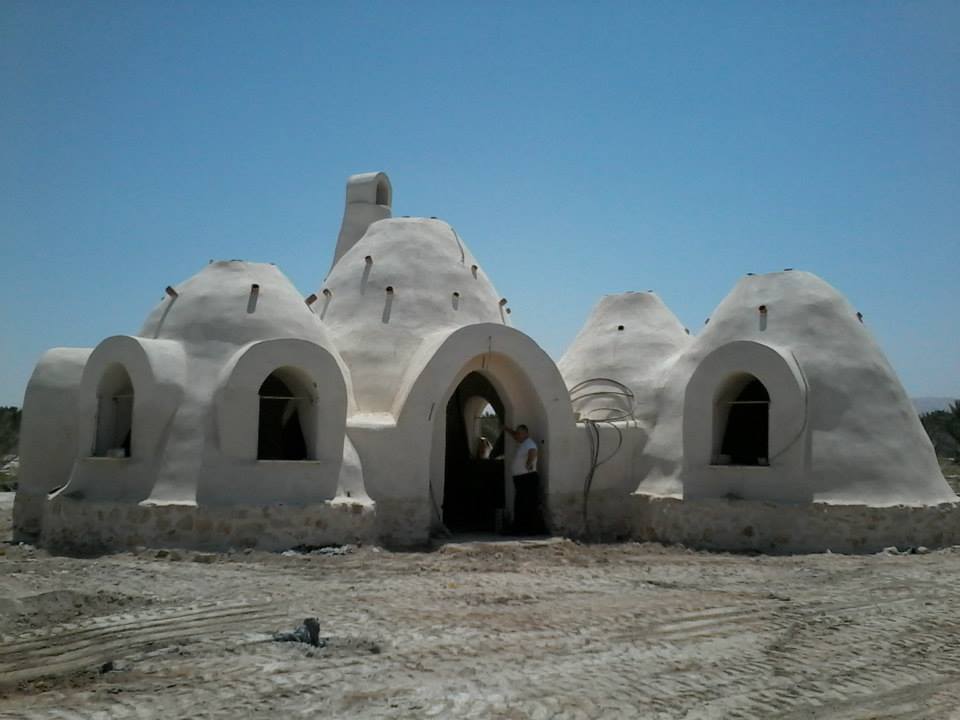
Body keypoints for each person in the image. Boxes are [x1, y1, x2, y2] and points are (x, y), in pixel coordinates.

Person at [505, 424, 542, 534]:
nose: (518, 435)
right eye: (517, 433)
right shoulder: (523, 443)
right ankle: (521, 527)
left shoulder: (529, 443)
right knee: (521, 503)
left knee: (526, 504)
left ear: (526, 433)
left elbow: (533, 451)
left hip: (527, 478)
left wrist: (529, 462)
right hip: (522, 479)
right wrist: (507, 429)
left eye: (520, 433)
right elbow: (515, 436)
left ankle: (527, 529)